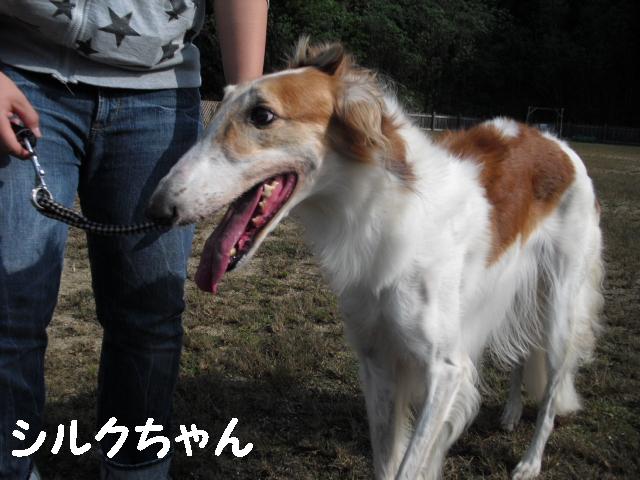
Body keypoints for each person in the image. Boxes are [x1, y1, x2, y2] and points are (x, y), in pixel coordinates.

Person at [0, 1, 268, 479]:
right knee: (8, 312)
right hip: (16, 70)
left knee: (149, 316)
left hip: (159, 90)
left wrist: (249, 115)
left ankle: (137, 469)